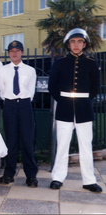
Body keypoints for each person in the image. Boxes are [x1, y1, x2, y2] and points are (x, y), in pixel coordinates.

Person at [48, 28, 102, 193]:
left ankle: (89, 180)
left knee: (86, 145)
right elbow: (52, 86)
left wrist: (83, 99)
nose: (76, 44)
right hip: (64, 106)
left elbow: (95, 87)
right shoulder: (60, 61)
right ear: (68, 44)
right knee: (62, 144)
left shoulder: (92, 63)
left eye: (79, 41)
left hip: (84, 107)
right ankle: (57, 177)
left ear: (84, 44)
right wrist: (64, 99)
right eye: (73, 41)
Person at [0, 40, 38, 188]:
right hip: (10, 105)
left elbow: (31, 91)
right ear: (8, 53)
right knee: (11, 140)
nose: (14, 53)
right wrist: (10, 101)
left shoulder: (30, 70)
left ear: (22, 52)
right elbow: (1, 90)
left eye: (17, 50)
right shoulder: (2, 70)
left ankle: (31, 175)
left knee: (27, 141)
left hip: (25, 105)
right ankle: (9, 173)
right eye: (12, 51)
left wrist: (23, 101)